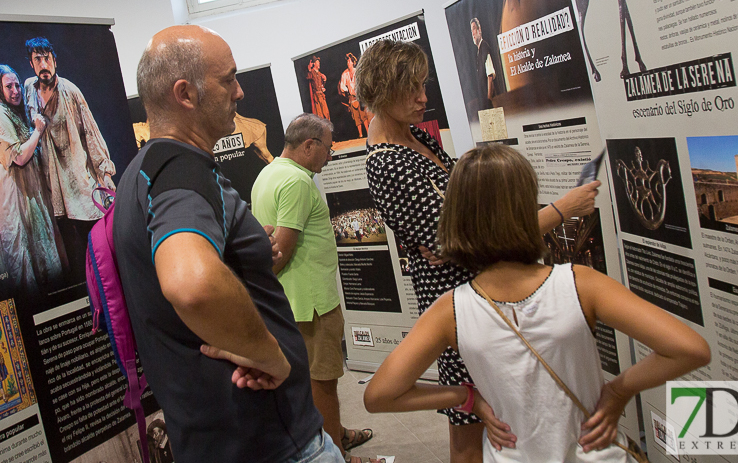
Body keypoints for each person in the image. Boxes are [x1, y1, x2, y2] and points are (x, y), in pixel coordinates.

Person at [363, 144, 711, 462]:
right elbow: (690, 349)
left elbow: (379, 396)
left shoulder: (449, 310)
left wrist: (465, 398)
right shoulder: (579, 283)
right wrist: (619, 391)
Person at [359, 39, 602, 463]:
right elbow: (463, 242)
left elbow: (459, 229)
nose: (423, 98)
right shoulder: (387, 160)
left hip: (479, 287)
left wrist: (456, 236)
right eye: (412, 88)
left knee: (500, 415)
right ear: (383, 90)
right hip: (457, 304)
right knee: (469, 425)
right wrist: (561, 211)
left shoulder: (415, 136)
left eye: (423, 85)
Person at [113, 25, 340, 463]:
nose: (239, 92)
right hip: (270, 442)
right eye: (228, 79)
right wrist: (270, 355)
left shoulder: (141, 172)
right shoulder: (180, 171)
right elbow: (191, 283)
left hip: (218, 438)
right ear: (186, 94)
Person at [251, 114, 375, 461]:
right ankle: (339, 454)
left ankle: (336, 435)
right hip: (312, 304)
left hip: (292, 301)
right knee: (324, 384)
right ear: (309, 145)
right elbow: (282, 249)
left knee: (313, 384)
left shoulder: (268, 174)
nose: (329, 156)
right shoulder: (298, 183)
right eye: (328, 149)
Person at [23, 37, 115, 289]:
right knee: (67, 246)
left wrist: (104, 170)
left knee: (91, 238)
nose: (44, 64)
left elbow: (91, 132)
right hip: (51, 181)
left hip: (77, 177)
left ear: (55, 60)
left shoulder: (70, 91)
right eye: (37, 59)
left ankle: (103, 289)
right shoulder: (29, 89)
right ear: (31, 64)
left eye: (47, 58)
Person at [0, 64, 65, 291]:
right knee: (22, 249)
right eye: (8, 86)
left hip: (27, 190)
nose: (15, 91)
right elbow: (19, 157)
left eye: (17, 85)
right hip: (15, 193)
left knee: (38, 246)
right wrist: (38, 131)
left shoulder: (12, 113)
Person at [471, 18, 496, 107]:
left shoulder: (484, 46)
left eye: (474, 28)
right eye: (471, 30)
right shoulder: (478, 51)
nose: (473, 33)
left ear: (479, 30)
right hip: (483, 101)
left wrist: (489, 99)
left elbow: (490, 75)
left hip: (488, 101)